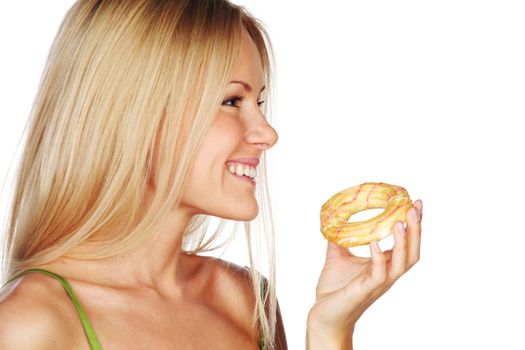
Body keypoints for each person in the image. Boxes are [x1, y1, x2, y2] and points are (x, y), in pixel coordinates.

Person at [0, 1, 423, 349]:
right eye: (230, 101)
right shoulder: (31, 324)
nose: (267, 133)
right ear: (131, 115)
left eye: (259, 101)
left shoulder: (242, 298)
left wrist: (330, 329)